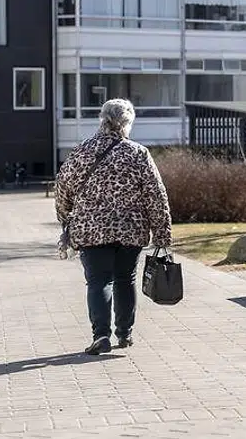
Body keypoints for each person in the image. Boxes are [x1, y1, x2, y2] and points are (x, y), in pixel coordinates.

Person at [55, 99, 173, 355]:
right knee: (124, 279)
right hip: (130, 230)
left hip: (90, 229)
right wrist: (162, 232)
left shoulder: (81, 151)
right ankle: (125, 333)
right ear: (127, 123)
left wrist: (65, 218)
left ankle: (101, 335)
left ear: (101, 119)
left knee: (98, 282)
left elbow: (62, 187)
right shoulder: (137, 153)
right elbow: (155, 194)